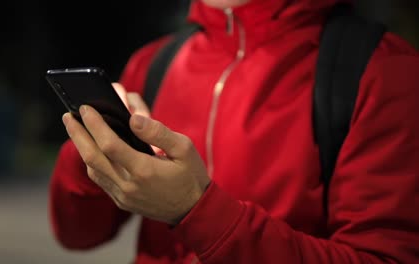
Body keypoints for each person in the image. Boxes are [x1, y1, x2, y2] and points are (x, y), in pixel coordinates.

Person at [49, 0, 419, 263]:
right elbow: (77, 234)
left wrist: (196, 211)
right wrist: (93, 152)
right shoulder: (153, 63)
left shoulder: (384, 71)